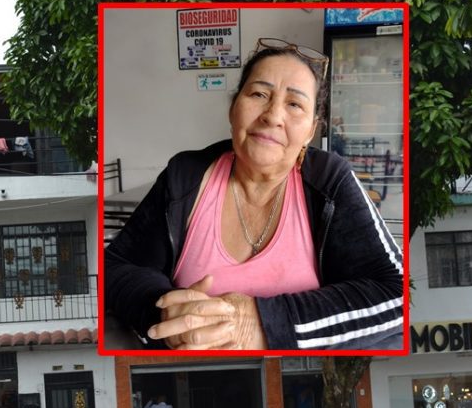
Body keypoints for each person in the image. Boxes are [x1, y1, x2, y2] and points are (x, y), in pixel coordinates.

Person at [105, 37, 403, 351]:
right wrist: (163, 312)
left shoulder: (329, 181)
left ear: (311, 131)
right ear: (234, 108)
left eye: (294, 104)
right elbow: (117, 267)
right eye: (259, 94)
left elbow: (395, 294)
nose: (273, 116)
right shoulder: (185, 177)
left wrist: (262, 322)